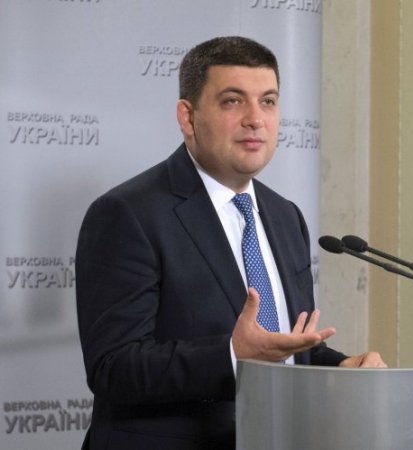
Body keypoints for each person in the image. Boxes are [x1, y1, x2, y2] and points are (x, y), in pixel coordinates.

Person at [75, 36, 386, 450]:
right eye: (233, 101)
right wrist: (232, 354)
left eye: (268, 101)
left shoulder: (285, 216)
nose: (255, 119)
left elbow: (285, 348)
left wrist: (340, 366)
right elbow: (113, 367)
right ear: (188, 117)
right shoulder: (127, 214)